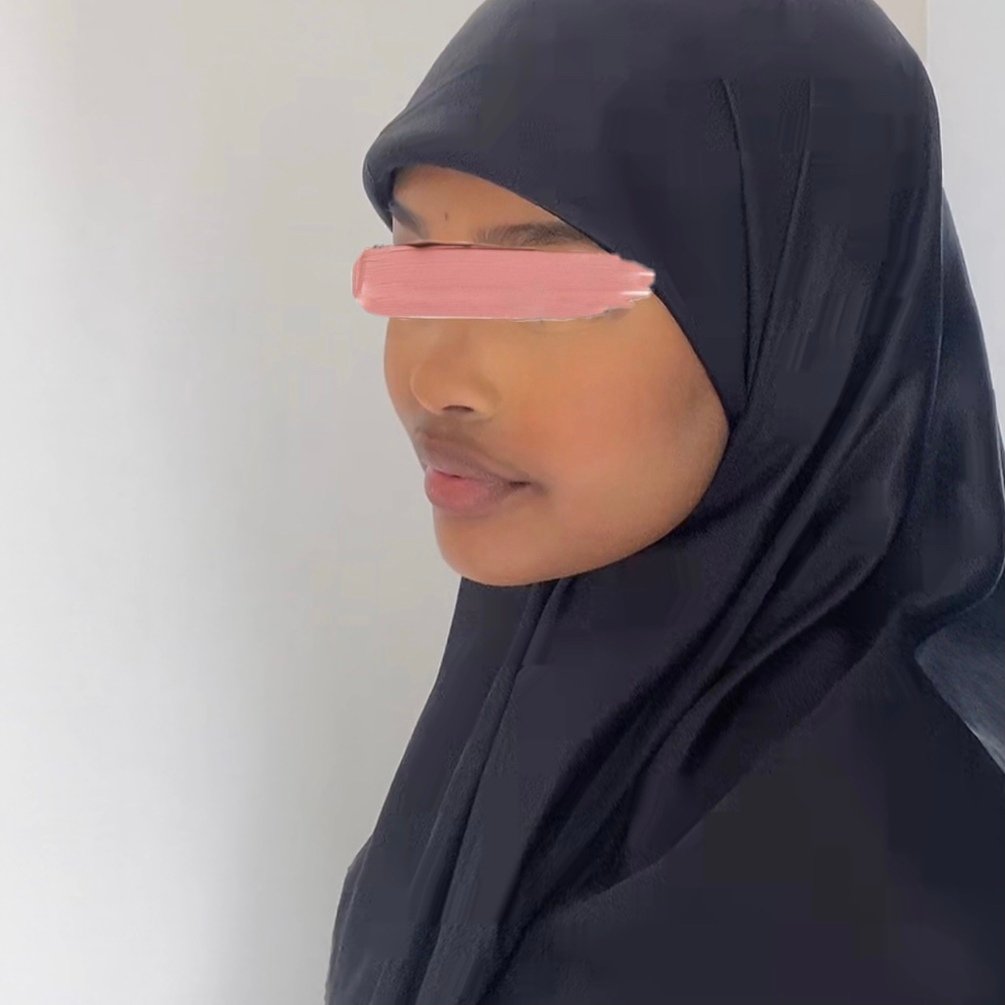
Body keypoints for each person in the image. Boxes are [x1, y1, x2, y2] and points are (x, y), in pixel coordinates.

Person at [328, 0, 1005, 1002]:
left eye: (540, 294)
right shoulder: (536, 681)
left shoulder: (880, 916)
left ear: (797, 315)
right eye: (419, 267)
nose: (434, 379)